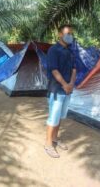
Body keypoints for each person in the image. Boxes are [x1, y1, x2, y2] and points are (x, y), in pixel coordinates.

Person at [44, 24, 76, 158]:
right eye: (67, 33)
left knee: (60, 117)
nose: (70, 36)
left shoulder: (70, 51)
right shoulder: (53, 50)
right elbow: (54, 70)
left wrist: (71, 84)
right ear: (60, 34)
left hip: (67, 89)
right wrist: (64, 85)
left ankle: (55, 139)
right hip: (56, 89)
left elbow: (74, 69)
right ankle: (48, 144)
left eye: (71, 34)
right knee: (53, 116)